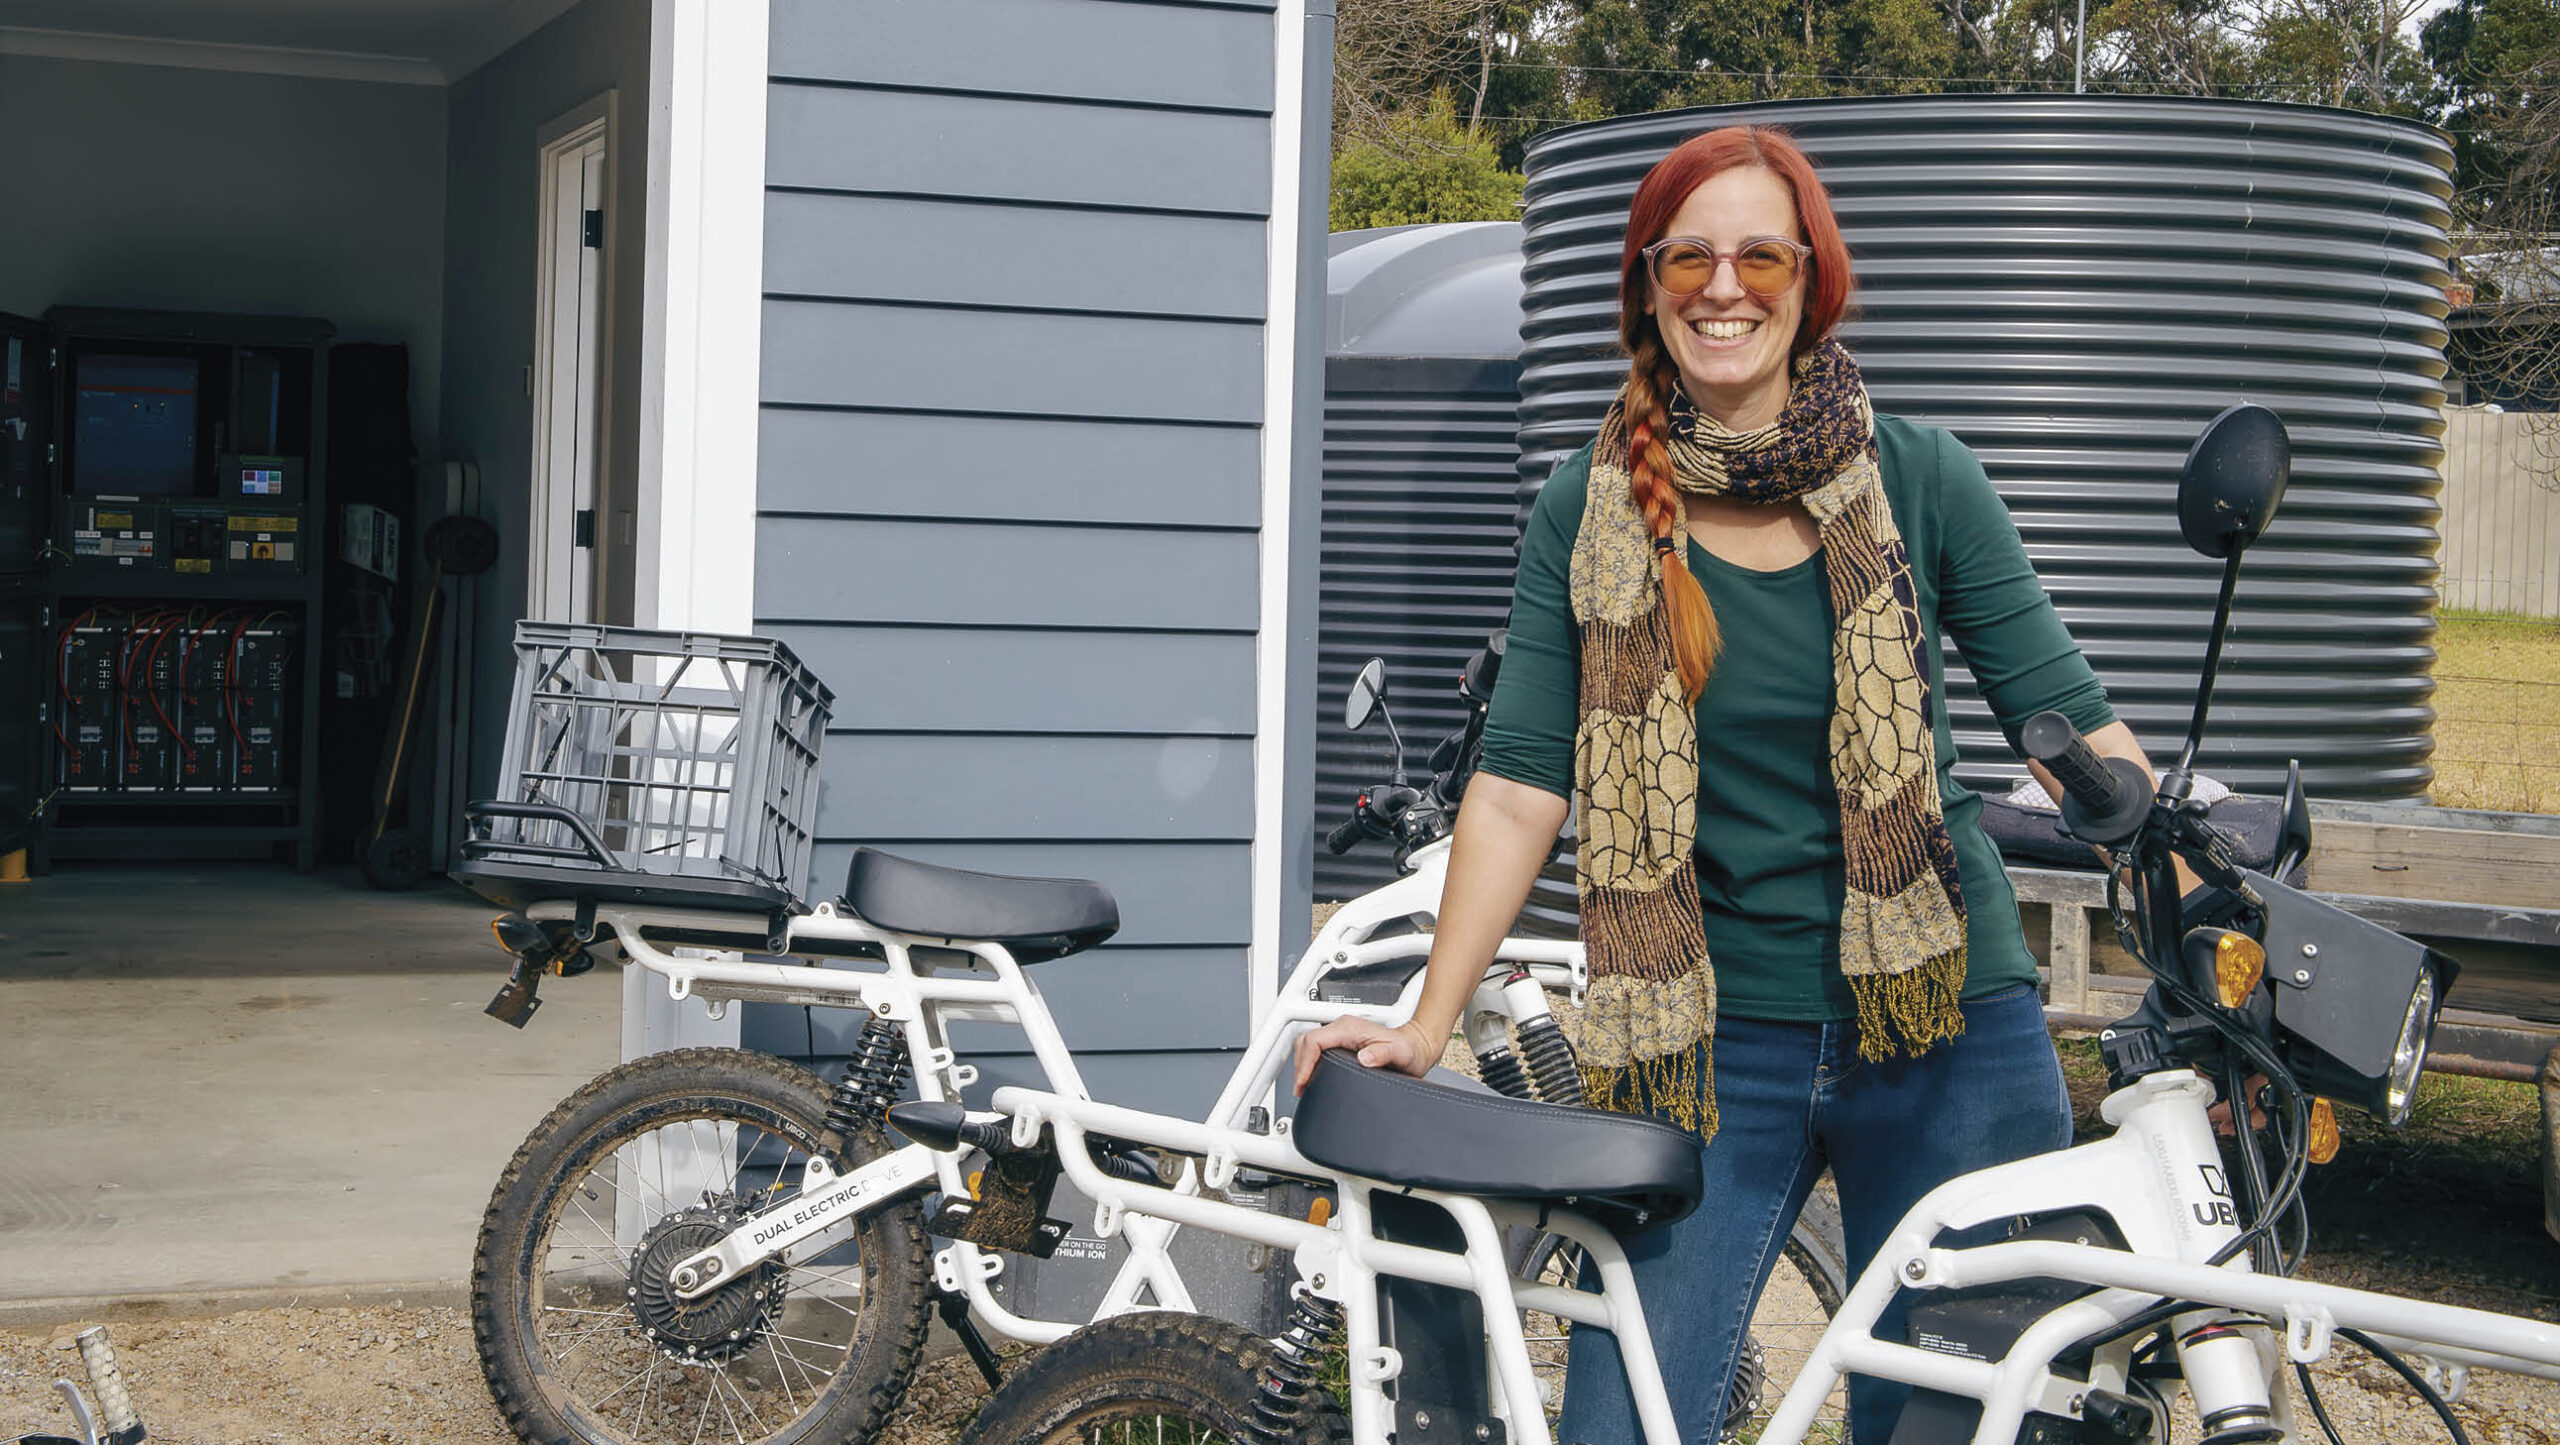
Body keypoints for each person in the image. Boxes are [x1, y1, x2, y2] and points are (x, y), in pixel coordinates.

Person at [1292, 124, 2178, 1445]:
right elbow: (1523, 783)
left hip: (1947, 1031)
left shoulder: (1924, 481)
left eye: (1760, 252)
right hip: (1706, 1042)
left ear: (1810, 278)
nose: (1724, 285)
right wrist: (1425, 1021)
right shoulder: (1586, 514)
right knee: (1624, 1419)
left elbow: (2081, 733)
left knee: (1945, 1424)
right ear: (1648, 289)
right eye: (1687, 257)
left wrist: (2201, 937)